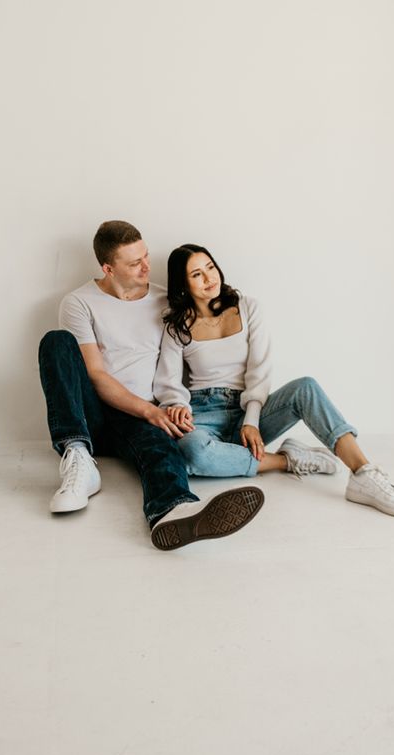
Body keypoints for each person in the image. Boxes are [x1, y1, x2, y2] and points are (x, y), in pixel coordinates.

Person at [38, 221, 265, 550]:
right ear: (108, 268)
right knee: (56, 342)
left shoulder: (166, 301)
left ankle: (174, 511)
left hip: (144, 414)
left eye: (146, 256)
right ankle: (77, 457)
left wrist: (173, 408)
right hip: (95, 413)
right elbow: (96, 375)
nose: (147, 266)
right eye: (134, 263)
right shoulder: (78, 302)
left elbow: (188, 356)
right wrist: (150, 411)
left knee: (161, 447)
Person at [153, 243, 394, 518]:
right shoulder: (177, 327)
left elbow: (259, 370)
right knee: (192, 454)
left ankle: (363, 474)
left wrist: (252, 421)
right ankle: (286, 460)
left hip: (248, 407)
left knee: (306, 387)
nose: (209, 278)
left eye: (210, 267)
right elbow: (168, 381)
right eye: (197, 274)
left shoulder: (247, 307)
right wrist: (176, 404)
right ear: (183, 284)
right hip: (203, 412)